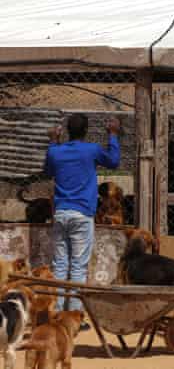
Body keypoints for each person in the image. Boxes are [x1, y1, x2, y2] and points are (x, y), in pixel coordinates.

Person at [44, 113, 121, 323]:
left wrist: (53, 141)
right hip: (82, 214)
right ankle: (74, 316)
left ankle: (58, 313)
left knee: (60, 265)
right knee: (78, 266)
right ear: (86, 131)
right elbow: (114, 161)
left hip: (60, 213)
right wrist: (113, 135)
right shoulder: (92, 150)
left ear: (67, 130)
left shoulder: (55, 152)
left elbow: (48, 170)